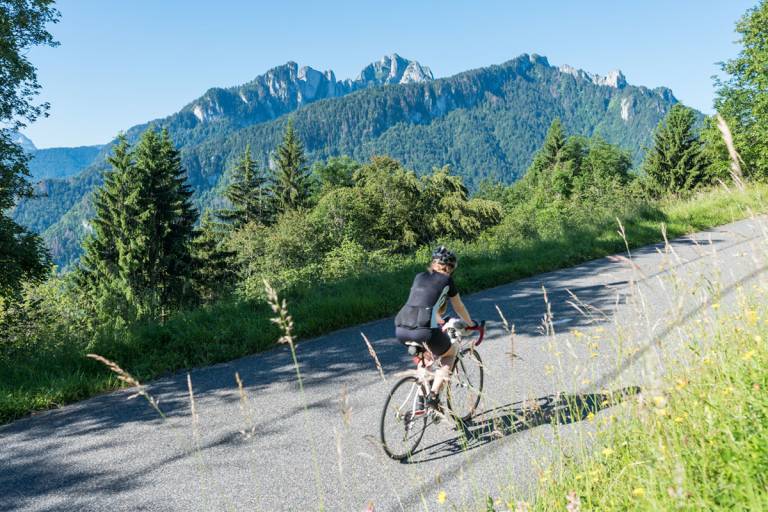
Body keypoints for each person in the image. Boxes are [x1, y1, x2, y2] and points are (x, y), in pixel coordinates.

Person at [395, 246, 477, 410]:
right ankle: (433, 396)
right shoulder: (447, 280)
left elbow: (425, 305)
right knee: (450, 353)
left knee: (426, 360)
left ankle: (420, 402)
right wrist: (470, 325)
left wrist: (441, 323)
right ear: (449, 268)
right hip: (423, 328)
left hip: (401, 325)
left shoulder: (419, 277)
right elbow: (459, 306)